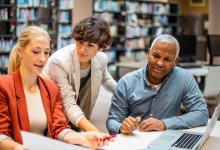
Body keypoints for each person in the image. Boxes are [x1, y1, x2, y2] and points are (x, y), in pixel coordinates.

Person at [0, 26, 110, 150]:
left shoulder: (51, 88)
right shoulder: (3, 86)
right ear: (20, 52)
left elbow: (59, 128)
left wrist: (84, 138)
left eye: (46, 52)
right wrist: (17, 148)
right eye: (36, 52)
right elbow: (1, 134)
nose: (42, 59)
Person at [106, 34, 209, 135]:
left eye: (167, 59)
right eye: (156, 56)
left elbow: (201, 114)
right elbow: (112, 121)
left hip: (167, 137)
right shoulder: (126, 82)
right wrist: (121, 127)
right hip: (135, 139)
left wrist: (165, 124)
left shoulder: (184, 78)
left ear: (175, 61)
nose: (160, 63)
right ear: (148, 53)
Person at [42, 16, 117, 132]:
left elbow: (106, 79)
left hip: (75, 115)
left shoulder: (101, 59)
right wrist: (94, 131)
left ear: (101, 47)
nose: (82, 49)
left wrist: (127, 97)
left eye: (90, 45)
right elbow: (67, 102)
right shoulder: (59, 61)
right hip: (50, 114)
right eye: (80, 42)